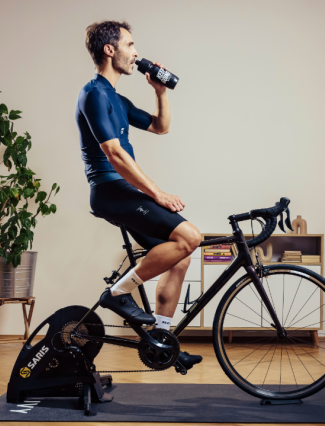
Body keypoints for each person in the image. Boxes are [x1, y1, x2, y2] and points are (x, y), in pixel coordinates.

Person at [76, 20, 202, 369]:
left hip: (125, 190)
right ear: (109, 50)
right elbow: (114, 154)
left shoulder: (117, 98)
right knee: (191, 235)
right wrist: (158, 194)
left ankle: (161, 342)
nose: (136, 53)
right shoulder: (93, 93)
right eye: (130, 45)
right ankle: (117, 294)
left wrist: (160, 91)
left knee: (181, 255)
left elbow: (161, 127)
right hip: (109, 190)